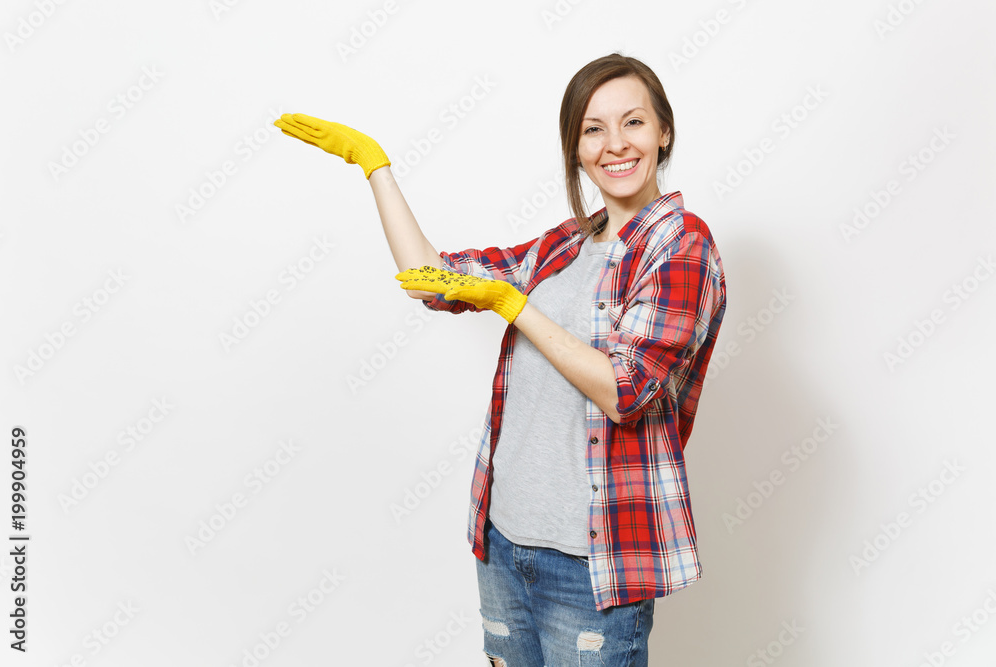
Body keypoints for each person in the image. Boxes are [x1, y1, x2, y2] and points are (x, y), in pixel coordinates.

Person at [275, 52, 727, 667]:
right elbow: (430, 279)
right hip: (504, 542)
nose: (615, 144)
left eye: (633, 122)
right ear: (576, 149)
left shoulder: (681, 246)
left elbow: (627, 392)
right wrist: (375, 167)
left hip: (593, 566)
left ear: (663, 132)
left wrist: (515, 306)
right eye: (593, 129)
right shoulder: (565, 244)